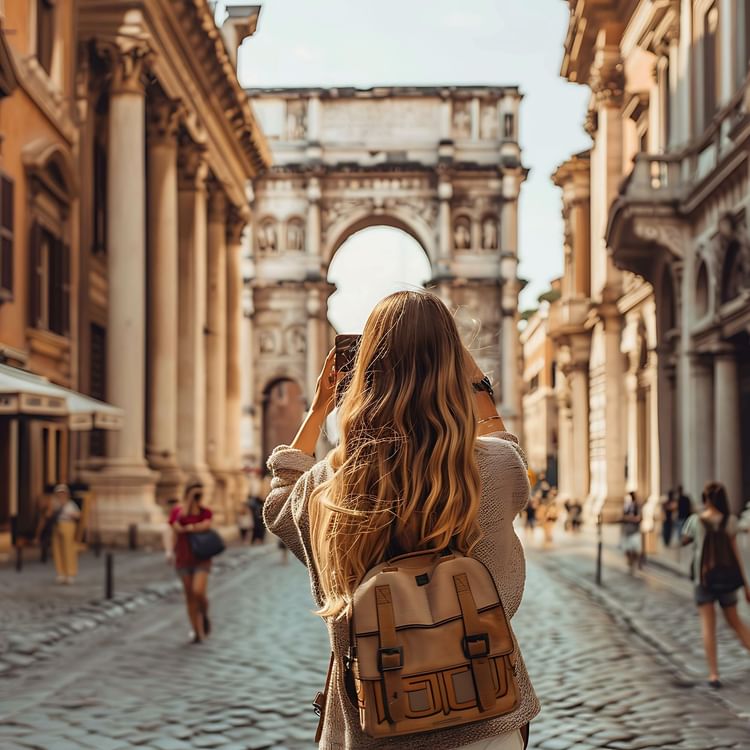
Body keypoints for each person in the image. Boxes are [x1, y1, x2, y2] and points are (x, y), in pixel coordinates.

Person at [264, 291, 539, 750]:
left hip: (375, 727)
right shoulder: (494, 468)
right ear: (454, 368)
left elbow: (278, 506)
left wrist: (316, 411)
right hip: (485, 723)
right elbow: (508, 449)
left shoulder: (329, 485)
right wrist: (478, 388)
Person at [681, 481, 750, 688]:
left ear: (706, 499)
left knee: (707, 626)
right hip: (727, 580)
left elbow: (684, 540)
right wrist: (745, 584)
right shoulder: (730, 521)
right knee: (736, 623)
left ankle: (713, 674)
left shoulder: (696, 521)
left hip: (704, 580)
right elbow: (735, 553)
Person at [169, 480, 213, 644]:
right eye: (194, 493)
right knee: (189, 596)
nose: (198, 496)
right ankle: (196, 631)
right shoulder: (178, 511)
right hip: (183, 557)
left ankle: (205, 615)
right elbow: (175, 527)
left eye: (200, 493)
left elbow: (206, 525)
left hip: (201, 558)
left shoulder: (205, 511)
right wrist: (187, 504)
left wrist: (190, 527)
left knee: (198, 592)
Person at [47, 484, 81, 584]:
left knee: (68, 549)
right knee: (57, 550)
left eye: (63, 493)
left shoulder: (71, 504)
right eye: (59, 493)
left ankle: (70, 572)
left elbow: (78, 515)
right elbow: (48, 514)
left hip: (68, 525)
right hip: (57, 525)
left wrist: (72, 514)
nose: (61, 495)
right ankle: (60, 572)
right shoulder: (54, 504)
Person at [621, 491, 642, 575]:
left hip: (635, 531)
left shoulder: (637, 506)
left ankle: (635, 565)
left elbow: (638, 518)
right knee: (627, 550)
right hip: (627, 531)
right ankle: (630, 565)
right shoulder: (626, 506)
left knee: (635, 550)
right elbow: (623, 517)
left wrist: (630, 518)